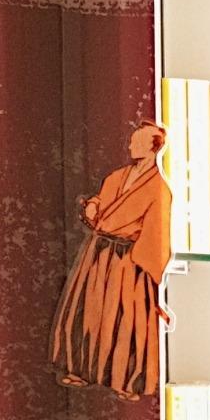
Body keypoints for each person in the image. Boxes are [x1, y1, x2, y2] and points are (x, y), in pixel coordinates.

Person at [49, 120, 173, 400]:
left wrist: (142, 262)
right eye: (132, 140)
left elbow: (157, 232)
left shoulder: (159, 189)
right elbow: (101, 201)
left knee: (125, 321)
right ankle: (81, 369)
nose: (130, 145)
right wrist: (92, 207)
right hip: (99, 254)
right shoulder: (117, 177)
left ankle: (125, 380)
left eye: (137, 142)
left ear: (153, 148)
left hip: (129, 260)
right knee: (89, 312)